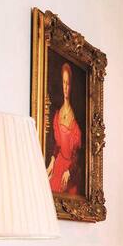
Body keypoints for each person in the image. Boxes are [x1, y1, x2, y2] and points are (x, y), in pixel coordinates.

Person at [46, 62, 82, 195]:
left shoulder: (75, 119)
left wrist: (69, 171)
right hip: (59, 162)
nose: (65, 87)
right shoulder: (57, 114)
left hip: (70, 167)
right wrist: (52, 161)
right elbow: (58, 145)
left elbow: (78, 154)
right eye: (64, 83)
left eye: (68, 83)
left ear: (71, 85)